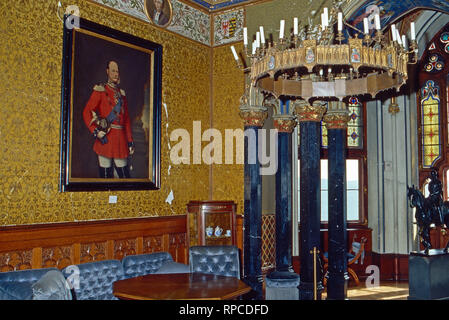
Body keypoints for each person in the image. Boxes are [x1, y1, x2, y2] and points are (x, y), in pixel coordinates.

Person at [83, 60, 135, 178]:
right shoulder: (100, 90)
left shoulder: (122, 94)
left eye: (117, 71)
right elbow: (86, 112)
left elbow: (126, 120)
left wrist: (130, 141)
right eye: (113, 71)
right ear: (107, 71)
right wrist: (95, 131)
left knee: (124, 176)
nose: (116, 74)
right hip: (106, 137)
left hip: (120, 140)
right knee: (105, 178)